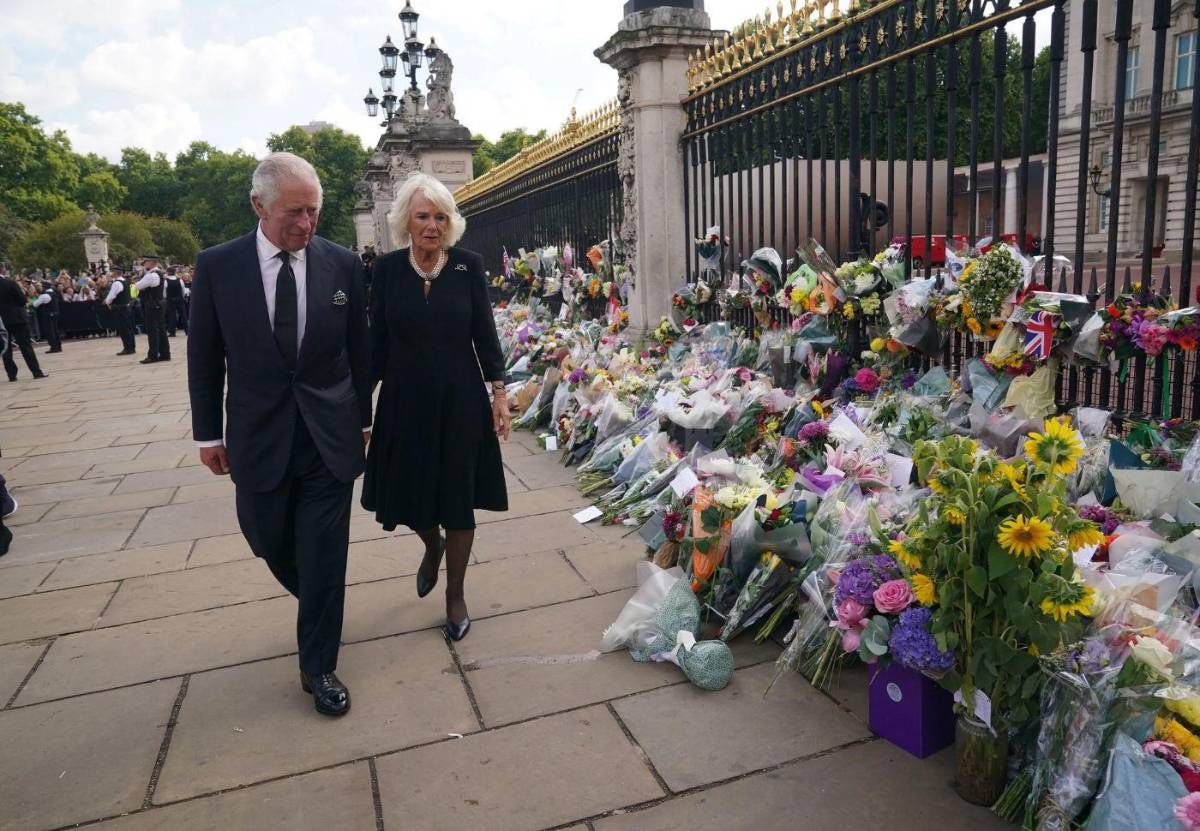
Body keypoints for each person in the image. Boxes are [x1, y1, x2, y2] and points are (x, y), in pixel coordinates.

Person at [188, 152, 371, 717]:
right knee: (266, 536)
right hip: (257, 433)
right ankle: (319, 601)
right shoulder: (219, 266)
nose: (306, 224)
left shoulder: (341, 265)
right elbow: (204, 355)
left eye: (314, 211)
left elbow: (359, 352)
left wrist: (363, 418)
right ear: (258, 205)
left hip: (328, 433)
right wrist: (206, 434)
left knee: (323, 554)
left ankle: (318, 665)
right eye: (294, 212)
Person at [361, 172, 510, 643]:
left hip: (461, 400)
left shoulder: (467, 266)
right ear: (406, 220)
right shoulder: (385, 270)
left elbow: (484, 333)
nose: (432, 225)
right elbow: (376, 342)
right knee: (410, 495)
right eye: (423, 216)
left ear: (451, 223)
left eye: (440, 217)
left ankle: (455, 595)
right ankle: (432, 545)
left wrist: (500, 392)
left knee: (459, 498)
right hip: (404, 401)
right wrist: (360, 405)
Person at [0, 272, 47, 381]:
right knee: (26, 346)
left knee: (6, 349)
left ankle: (12, 375)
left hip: (2, 320)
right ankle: (36, 371)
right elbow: (22, 299)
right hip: (17, 318)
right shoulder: (10, 283)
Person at [135, 255, 170, 363]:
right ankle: (165, 354)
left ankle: (153, 355)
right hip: (159, 302)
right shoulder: (159, 274)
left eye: (145, 262)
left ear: (151, 262)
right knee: (161, 329)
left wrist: (138, 280)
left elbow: (137, 286)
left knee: (152, 330)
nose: (144, 264)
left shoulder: (151, 275)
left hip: (152, 304)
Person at [104, 268, 137, 355]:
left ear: (115, 273)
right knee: (129, 328)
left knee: (123, 329)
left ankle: (127, 348)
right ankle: (132, 347)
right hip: (127, 307)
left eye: (112, 272)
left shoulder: (116, 283)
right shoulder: (126, 282)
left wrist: (107, 302)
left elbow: (111, 296)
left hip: (120, 309)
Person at [33, 281, 62, 353]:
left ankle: (53, 347)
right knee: (55, 330)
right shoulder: (54, 293)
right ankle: (58, 346)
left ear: (44, 287)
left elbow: (35, 304)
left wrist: (37, 297)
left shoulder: (44, 295)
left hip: (48, 314)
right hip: (56, 313)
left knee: (50, 331)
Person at [164, 266, 188, 336]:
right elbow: (183, 290)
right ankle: (187, 331)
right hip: (179, 299)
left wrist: (166, 298)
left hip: (170, 300)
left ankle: (172, 332)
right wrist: (182, 297)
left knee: (172, 316)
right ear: (175, 272)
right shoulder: (180, 280)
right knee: (183, 315)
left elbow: (164, 293)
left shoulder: (166, 281)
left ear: (168, 272)